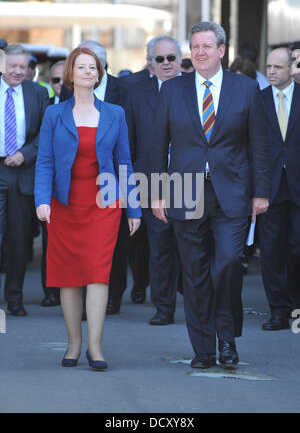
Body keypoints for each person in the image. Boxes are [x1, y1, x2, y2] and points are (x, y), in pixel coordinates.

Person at [152, 21, 271, 369]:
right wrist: (157, 193)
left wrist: (261, 193)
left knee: (229, 264)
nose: (200, 52)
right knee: (194, 272)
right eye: (195, 46)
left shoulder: (246, 89)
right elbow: (158, 145)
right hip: (185, 191)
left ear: (221, 51)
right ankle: (204, 348)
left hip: (232, 192)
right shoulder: (172, 90)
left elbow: (260, 145)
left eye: (207, 46)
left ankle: (227, 337)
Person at [35, 47, 141, 370]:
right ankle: (73, 343)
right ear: (70, 74)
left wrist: (133, 207)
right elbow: (45, 161)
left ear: (99, 74)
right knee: (68, 276)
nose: (87, 72)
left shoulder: (115, 114)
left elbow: (124, 162)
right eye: (80, 67)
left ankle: (95, 347)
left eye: (92, 68)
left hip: (103, 204)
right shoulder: (54, 114)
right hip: (64, 204)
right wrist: (41, 200)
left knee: (98, 274)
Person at [126, 35, 183, 326]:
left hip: (190, 181)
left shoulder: (195, 89)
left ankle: (200, 303)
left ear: (180, 59)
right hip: (149, 182)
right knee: (159, 249)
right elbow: (129, 143)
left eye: (171, 58)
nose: (165, 64)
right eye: (159, 59)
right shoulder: (137, 94)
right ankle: (163, 308)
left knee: (193, 248)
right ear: (150, 62)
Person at [0, 44, 49, 316]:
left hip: (22, 172)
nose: (19, 72)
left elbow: (46, 132)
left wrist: (25, 154)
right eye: (12, 66)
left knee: (18, 241)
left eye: (23, 67)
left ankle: (14, 299)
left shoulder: (38, 93)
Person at [259, 47, 300, 330]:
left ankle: (296, 306)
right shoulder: (257, 100)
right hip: (268, 187)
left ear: (291, 68)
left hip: (298, 186)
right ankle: (277, 310)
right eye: (269, 66)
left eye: (278, 67)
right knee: (272, 251)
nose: (271, 71)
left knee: (297, 249)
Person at [40, 60, 66, 308]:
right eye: (56, 81)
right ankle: (50, 291)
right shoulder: (47, 109)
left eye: (64, 80)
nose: (60, 85)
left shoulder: (99, 111)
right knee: (50, 242)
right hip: (52, 187)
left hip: (83, 191)